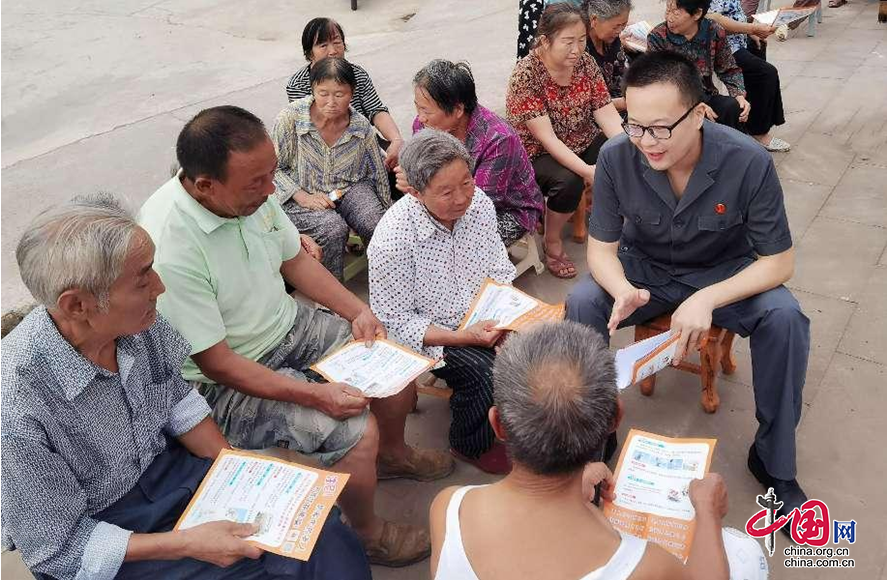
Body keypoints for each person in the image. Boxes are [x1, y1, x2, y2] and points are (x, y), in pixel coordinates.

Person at [140, 105, 453, 567]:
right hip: (222, 379)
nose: (272, 190)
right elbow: (217, 363)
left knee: (391, 359)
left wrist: (358, 310)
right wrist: (315, 396)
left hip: (285, 325)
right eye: (258, 183)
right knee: (351, 428)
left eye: (272, 175)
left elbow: (294, 260)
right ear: (205, 185)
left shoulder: (250, 191)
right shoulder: (169, 243)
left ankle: (392, 454)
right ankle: (367, 533)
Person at [2, 194, 370, 580]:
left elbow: (179, 402)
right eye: (142, 278)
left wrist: (240, 475)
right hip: (106, 531)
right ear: (77, 305)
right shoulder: (17, 407)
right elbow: (59, 549)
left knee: (318, 532)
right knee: (260, 569)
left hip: (173, 473)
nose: (159, 287)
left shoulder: (138, 325)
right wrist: (190, 542)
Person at [566, 51, 810, 526]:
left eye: (660, 128)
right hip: (646, 273)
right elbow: (600, 250)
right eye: (634, 125)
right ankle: (594, 439)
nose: (646, 142)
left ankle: (773, 460)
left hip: (724, 273)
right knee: (581, 301)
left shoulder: (747, 161)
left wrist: (708, 297)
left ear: (699, 114)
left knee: (785, 318)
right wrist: (620, 289)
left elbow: (779, 262)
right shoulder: (618, 156)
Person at [430, 321, 733, 580]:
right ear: (614, 418)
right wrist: (708, 512)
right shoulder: (646, 565)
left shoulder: (448, 508)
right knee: (739, 549)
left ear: (497, 424)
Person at [368, 129, 517, 475]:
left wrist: (509, 317)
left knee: (539, 342)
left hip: (484, 314)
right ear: (416, 193)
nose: (462, 198)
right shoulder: (393, 239)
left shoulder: (479, 203)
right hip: (432, 335)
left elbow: (498, 267)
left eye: (466, 182)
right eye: (446, 192)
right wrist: (468, 337)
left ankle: (507, 415)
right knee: (486, 372)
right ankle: (469, 443)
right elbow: (396, 323)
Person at [507, 2, 623, 279]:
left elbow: (605, 112)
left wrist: (631, 147)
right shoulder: (526, 74)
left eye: (582, 40)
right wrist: (588, 172)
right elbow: (547, 139)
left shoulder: (585, 63)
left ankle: (619, 224)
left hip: (581, 137)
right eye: (568, 41)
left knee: (621, 153)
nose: (577, 49)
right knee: (568, 181)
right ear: (545, 41)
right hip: (536, 152)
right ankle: (553, 240)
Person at [398, 59, 544, 247]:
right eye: (418, 108)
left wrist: (420, 187)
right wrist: (412, 178)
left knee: (449, 243)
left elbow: (477, 205)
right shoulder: (424, 125)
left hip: (508, 209)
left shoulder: (498, 139)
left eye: (426, 110)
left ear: (458, 109)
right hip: (446, 198)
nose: (420, 117)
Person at [273, 57, 392, 281]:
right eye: (323, 93)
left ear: (352, 93)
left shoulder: (361, 126)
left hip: (349, 187)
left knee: (376, 223)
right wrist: (303, 197)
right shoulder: (290, 118)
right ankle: (332, 303)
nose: (331, 102)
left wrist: (388, 216)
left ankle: (389, 288)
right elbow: (272, 170)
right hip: (299, 192)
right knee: (332, 228)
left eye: (339, 94)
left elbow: (377, 174)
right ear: (312, 89)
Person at [285, 17, 405, 169]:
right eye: (323, 45)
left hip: (364, 138)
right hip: (324, 152)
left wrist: (396, 140)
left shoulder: (358, 74)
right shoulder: (298, 84)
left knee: (407, 160)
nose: (333, 51)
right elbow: (311, 129)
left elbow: (376, 110)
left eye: (337, 42)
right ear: (309, 53)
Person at [647, 0, 751, 130]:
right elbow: (660, 83)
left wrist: (739, 95)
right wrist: (694, 106)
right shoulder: (657, 37)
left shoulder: (714, 30)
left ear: (697, 14)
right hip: (674, 101)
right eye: (668, 10)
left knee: (733, 107)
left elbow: (728, 68)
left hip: (706, 95)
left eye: (676, 13)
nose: (669, 18)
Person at [706, 0, 791, 151]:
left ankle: (752, 118)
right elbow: (714, 21)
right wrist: (751, 29)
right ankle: (758, 132)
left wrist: (750, 32)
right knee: (766, 73)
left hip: (736, 40)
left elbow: (732, 13)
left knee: (759, 47)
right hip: (722, 46)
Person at [583, 0, 632, 113]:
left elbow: (622, 77)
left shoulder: (613, 42)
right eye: (616, 26)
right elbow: (584, 102)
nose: (619, 31)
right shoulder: (579, 48)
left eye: (623, 25)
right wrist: (621, 103)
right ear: (594, 20)